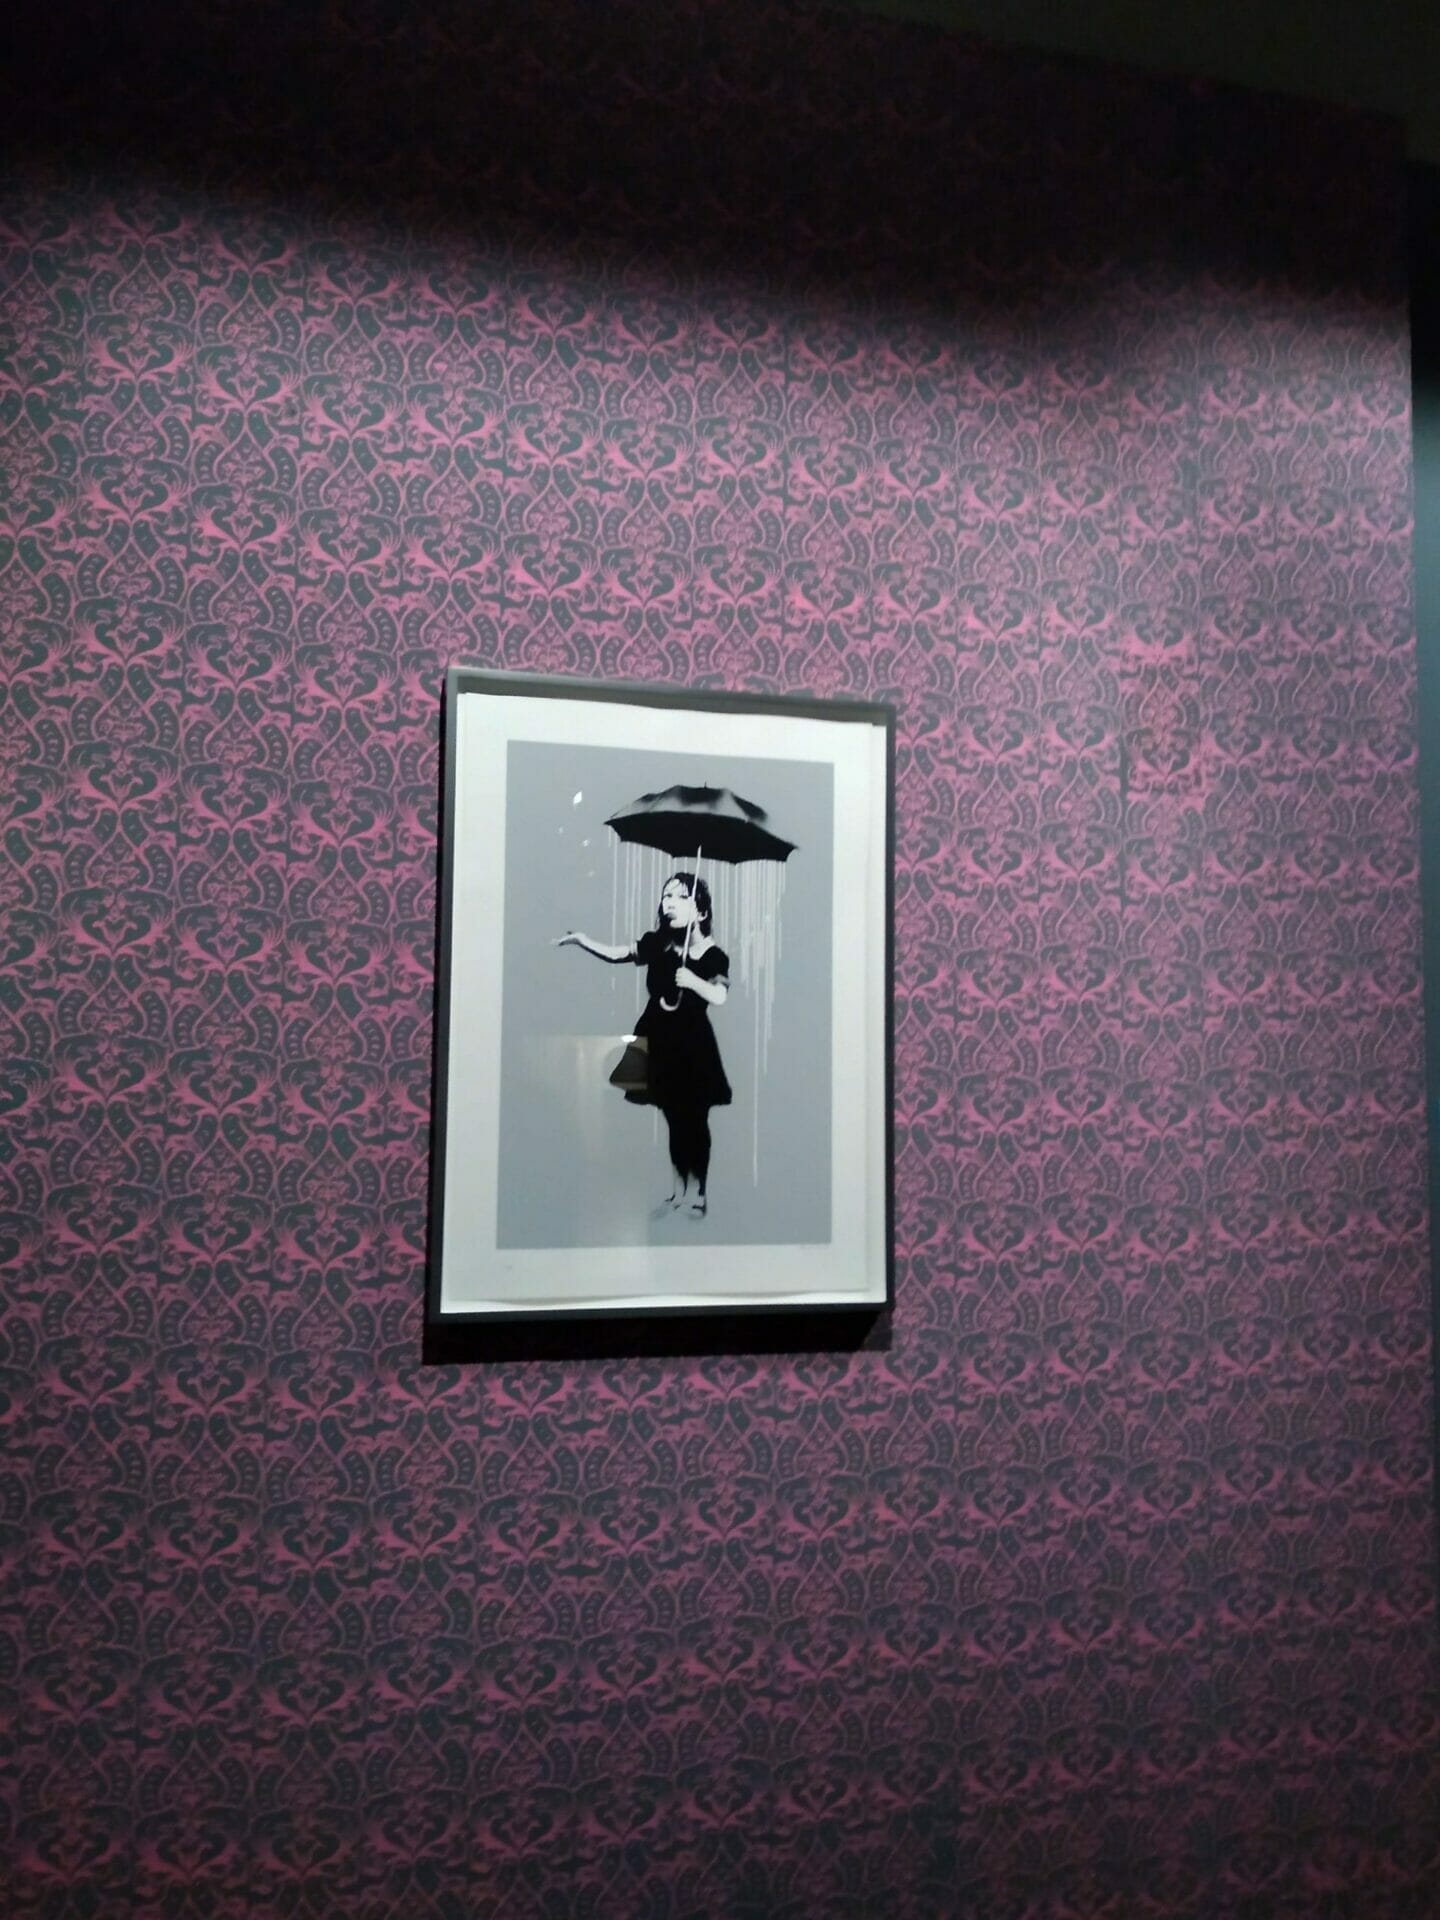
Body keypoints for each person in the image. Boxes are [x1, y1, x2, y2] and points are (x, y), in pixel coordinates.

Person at [554, 873, 731, 1217]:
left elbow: (720, 995)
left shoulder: (714, 956)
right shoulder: (659, 944)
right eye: (666, 896)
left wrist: (694, 981)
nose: (669, 903)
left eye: (680, 897)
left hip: (692, 1045)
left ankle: (698, 1192)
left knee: (694, 1119)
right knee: (673, 1118)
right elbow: (617, 954)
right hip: (659, 1037)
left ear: (701, 911)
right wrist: (583, 941)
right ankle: (678, 1191)